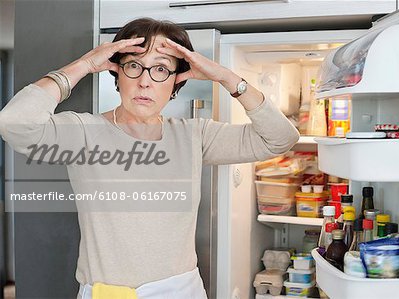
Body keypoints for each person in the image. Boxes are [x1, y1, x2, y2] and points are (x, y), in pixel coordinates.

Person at [0, 18, 299, 298]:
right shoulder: (84, 133)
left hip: (181, 291)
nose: (145, 82)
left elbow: (281, 138)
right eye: (133, 66)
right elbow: (14, 124)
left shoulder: (194, 135)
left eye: (160, 69)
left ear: (175, 84)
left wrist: (225, 77)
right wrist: (84, 64)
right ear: (117, 73)